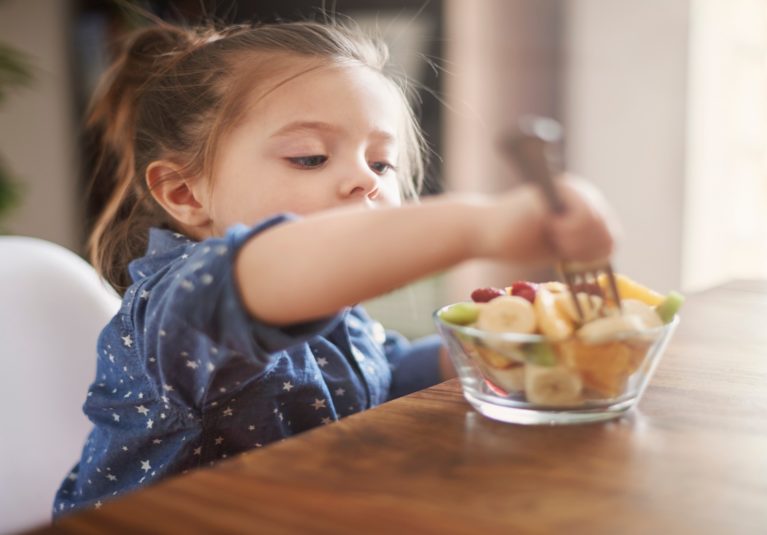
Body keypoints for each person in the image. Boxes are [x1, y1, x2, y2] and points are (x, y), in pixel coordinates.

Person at [54, 19, 616, 517]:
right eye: (310, 157)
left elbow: (382, 375)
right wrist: (480, 224)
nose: (366, 180)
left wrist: (483, 347)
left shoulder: (328, 303)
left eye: (381, 163)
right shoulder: (182, 304)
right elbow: (277, 265)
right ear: (184, 193)